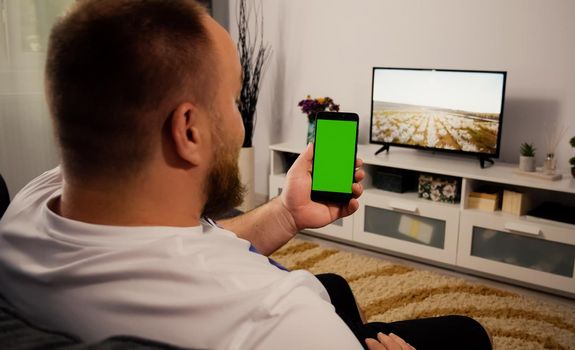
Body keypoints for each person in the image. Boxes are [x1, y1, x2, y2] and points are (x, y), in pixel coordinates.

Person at [0, 1, 492, 349]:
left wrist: (284, 213)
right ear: (188, 129)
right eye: (234, 100)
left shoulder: (24, 212)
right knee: (468, 334)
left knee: (336, 285)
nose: (240, 123)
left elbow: (159, 247)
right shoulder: (278, 320)